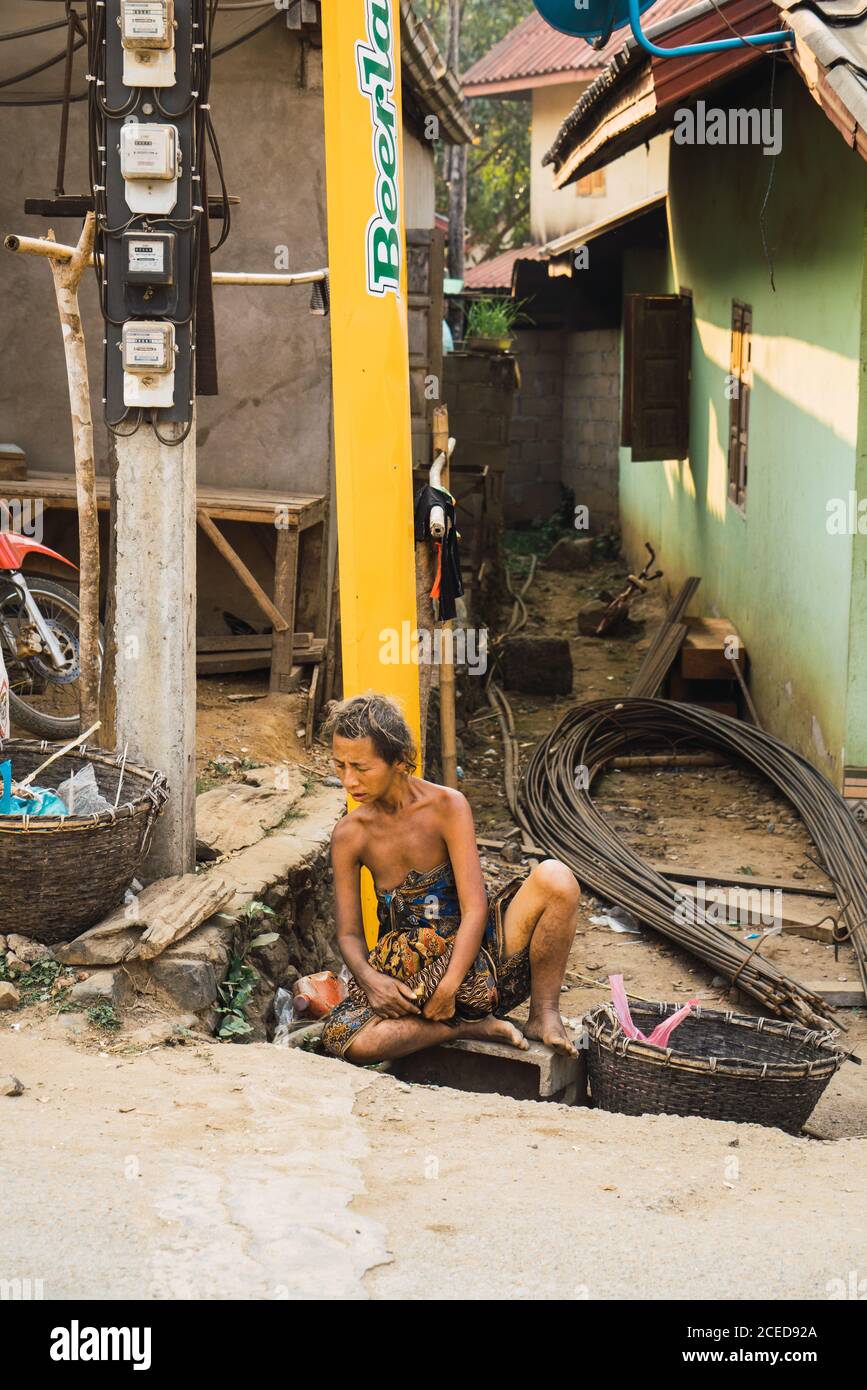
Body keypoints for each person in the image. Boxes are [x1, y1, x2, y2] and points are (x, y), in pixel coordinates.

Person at [320, 692, 581, 1065]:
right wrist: (371, 980)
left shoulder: (447, 806)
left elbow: (475, 909)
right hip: (412, 978)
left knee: (557, 877)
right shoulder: (351, 834)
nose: (348, 780)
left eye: (360, 767)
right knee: (346, 1040)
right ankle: (468, 1026)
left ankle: (545, 1013)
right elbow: (348, 934)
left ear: (399, 760)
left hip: (480, 960)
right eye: (340, 765)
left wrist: (450, 986)